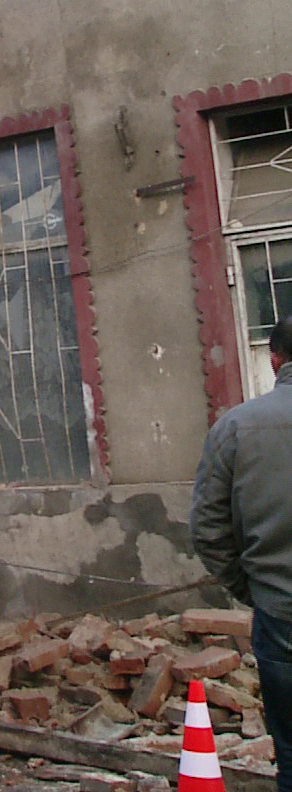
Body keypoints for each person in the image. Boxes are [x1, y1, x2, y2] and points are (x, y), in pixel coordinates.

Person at [191, 315, 292, 790]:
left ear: (275, 359)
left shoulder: (237, 427)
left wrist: (251, 589)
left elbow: (209, 530)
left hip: (281, 615)